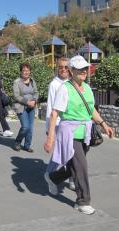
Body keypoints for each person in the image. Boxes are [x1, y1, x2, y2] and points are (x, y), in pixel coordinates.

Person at [43, 55, 114, 215]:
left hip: (86, 133)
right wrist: (50, 137)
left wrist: (104, 124)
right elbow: (55, 113)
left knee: (74, 167)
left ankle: (53, 178)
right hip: (70, 134)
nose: (84, 71)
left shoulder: (88, 88)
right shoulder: (64, 88)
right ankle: (83, 201)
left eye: (85, 68)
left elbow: (91, 110)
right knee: (81, 167)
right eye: (80, 68)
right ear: (71, 70)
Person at [45, 58, 76, 191]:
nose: (63, 69)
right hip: (58, 125)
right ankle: (49, 174)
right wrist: (49, 129)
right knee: (60, 153)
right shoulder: (54, 84)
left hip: (72, 124)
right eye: (60, 67)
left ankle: (72, 179)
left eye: (65, 67)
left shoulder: (72, 83)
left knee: (72, 152)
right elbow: (51, 107)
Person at [12, 63, 38, 152]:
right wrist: (27, 102)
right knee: (25, 127)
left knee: (30, 128)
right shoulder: (17, 82)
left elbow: (36, 92)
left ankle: (27, 145)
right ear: (21, 72)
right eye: (24, 70)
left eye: (27, 70)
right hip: (21, 107)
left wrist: (34, 100)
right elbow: (16, 96)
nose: (26, 72)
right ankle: (17, 142)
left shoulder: (32, 81)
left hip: (32, 107)